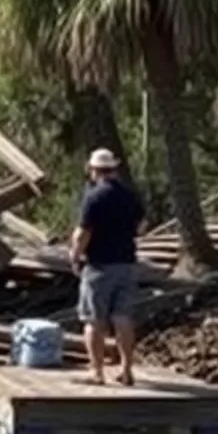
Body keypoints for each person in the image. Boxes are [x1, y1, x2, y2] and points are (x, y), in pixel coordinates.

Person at [69, 148, 145, 386]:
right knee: (123, 317)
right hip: (127, 264)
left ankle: (98, 372)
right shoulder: (130, 196)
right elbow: (141, 224)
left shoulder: (94, 197)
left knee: (94, 320)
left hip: (99, 265)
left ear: (94, 170)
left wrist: (75, 255)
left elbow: (84, 232)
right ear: (114, 169)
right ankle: (127, 369)